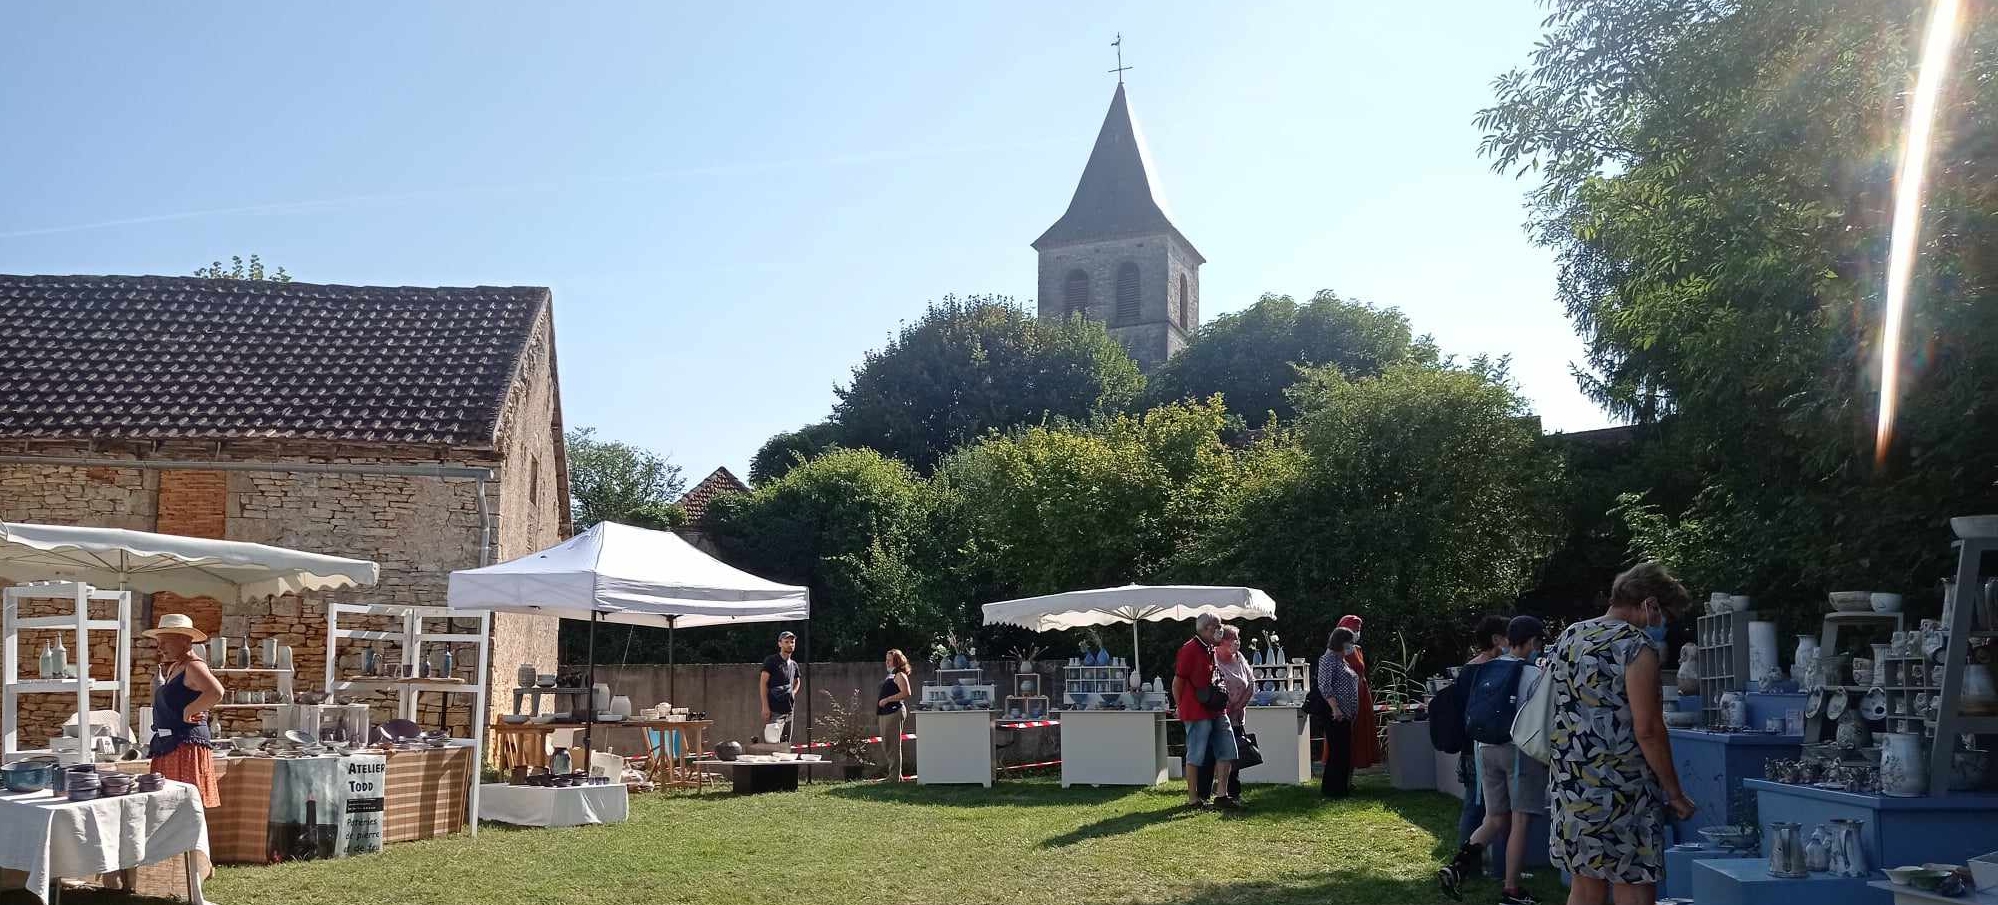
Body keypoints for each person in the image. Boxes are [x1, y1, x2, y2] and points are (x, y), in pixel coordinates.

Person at [1548, 562, 1697, 905]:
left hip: (1572, 781)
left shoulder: (1571, 636)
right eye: (1665, 615)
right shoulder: (1635, 646)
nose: (1663, 624)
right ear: (1650, 604)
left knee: (1585, 887)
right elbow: (1648, 729)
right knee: (1633, 883)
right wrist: (1675, 793)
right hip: (1623, 789)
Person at [1438, 615, 1550, 905]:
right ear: (1532, 642)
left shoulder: (1487, 667)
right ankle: (1511, 890)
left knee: (1495, 818)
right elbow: (1542, 716)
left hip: (1484, 749)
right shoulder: (1532, 674)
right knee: (1520, 820)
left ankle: (1457, 867)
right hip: (1517, 751)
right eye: (1539, 643)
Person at [143, 613, 223, 808]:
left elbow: (216, 692)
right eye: (158, 642)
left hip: (185, 746)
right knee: (169, 806)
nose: (160, 648)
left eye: (164, 642)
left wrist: (191, 709)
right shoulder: (176, 667)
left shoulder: (194, 666)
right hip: (170, 744)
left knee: (183, 805)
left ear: (185, 640)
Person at [1454, 615, 1512, 863]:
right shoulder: (1490, 669)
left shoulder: (1469, 669)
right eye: (1508, 636)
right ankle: (1471, 863)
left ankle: (1474, 861)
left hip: (1473, 745)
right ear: (1497, 639)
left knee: (1477, 805)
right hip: (1484, 745)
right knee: (1479, 806)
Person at [1173, 613, 1239, 809]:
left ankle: (1221, 795)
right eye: (1217, 626)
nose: (1221, 630)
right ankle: (1193, 799)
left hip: (1216, 708)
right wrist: (1180, 707)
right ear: (1206, 628)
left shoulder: (1210, 648)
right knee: (1196, 754)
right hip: (1196, 710)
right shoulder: (1189, 649)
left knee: (1227, 747)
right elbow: (1177, 682)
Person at [1199, 624, 1254, 803]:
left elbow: (1251, 682)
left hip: (1237, 715)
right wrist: (1225, 706)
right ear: (1222, 641)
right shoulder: (1212, 657)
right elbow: (1210, 685)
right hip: (1216, 714)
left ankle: (1233, 792)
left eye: (1238, 639)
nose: (1237, 642)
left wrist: (1238, 706)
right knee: (1209, 754)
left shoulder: (1240, 657)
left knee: (1234, 753)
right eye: (1233, 639)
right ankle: (1203, 794)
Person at [1317, 627, 1361, 797]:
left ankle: (1340, 788)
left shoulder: (1342, 660)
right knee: (1337, 752)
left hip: (1347, 714)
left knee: (1343, 752)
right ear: (1340, 642)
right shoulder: (1328, 659)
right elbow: (1325, 686)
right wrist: (1335, 708)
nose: (1351, 646)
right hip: (1336, 714)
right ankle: (1333, 790)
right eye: (1349, 642)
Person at [1336, 615, 1380, 772]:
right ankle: (1344, 773)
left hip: (1361, 693)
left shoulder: (1358, 649)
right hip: (1346, 695)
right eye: (1354, 629)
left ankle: (1352, 772)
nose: (1356, 633)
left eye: (1358, 630)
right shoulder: (1338, 651)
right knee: (1347, 734)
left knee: (1360, 732)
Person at [875, 649, 913, 781]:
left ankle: (894, 776)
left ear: (897, 661)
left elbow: (906, 693)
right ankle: (896, 775)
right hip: (886, 713)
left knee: (893, 745)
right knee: (887, 744)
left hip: (894, 711)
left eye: (890, 660)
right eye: (886, 660)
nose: (887, 662)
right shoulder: (891, 675)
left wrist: (887, 700)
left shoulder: (900, 675)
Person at [760, 631, 804, 743]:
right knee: (773, 742)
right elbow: (763, 683)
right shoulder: (771, 661)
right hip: (774, 710)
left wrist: (793, 692)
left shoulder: (794, 664)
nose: (790, 644)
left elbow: (797, 681)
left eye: (792, 642)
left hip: (789, 711)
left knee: (785, 744)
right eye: (786, 642)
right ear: (780, 643)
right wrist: (765, 707)